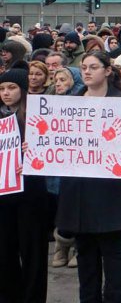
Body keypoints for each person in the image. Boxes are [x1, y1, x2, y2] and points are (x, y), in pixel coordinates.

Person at [57, 52, 121, 303]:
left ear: (107, 70)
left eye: (93, 67)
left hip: (110, 194)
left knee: (114, 259)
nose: (87, 71)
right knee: (86, 259)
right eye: (83, 67)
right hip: (80, 195)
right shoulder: (70, 102)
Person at [0, 64, 50, 303]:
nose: (6, 93)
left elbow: (53, 153)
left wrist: (34, 154)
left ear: (22, 89)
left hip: (31, 194)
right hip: (3, 196)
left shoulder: (37, 118)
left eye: (11, 88)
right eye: (1, 88)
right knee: (5, 252)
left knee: (33, 254)